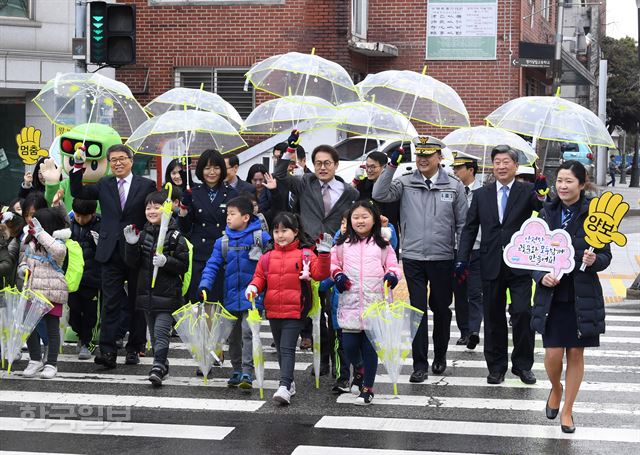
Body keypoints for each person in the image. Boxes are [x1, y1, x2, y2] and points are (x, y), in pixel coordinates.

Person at [372, 136, 468, 382]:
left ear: (439, 157)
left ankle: (440, 356)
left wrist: (461, 256)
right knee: (417, 310)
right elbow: (380, 193)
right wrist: (390, 166)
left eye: (428, 155)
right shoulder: (405, 182)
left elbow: (463, 224)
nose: (423, 159)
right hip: (413, 256)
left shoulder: (454, 185)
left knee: (441, 308)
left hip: (443, 256)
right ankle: (419, 364)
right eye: (419, 155)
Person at [457, 145, 548, 385]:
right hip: (490, 262)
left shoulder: (527, 190)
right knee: (493, 317)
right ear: (492, 166)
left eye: (506, 162)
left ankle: (523, 365)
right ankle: (496, 368)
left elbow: (545, 209)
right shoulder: (481, 195)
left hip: (519, 263)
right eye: (497, 162)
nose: (501, 166)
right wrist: (461, 259)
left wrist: (542, 194)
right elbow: (469, 229)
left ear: (516, 166)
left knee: (522, 313)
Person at [530, 160, 610, 433]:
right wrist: (541, 276)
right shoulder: (545, 213)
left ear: (582, 183)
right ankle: (556, 387)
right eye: (560, 181)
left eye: (569, 181)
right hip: (552, 294)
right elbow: (533, 256)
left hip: (581, 294)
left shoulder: (595, 215)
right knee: (552, 354)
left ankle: (568, 410)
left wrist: (594, 258)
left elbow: (606, 256)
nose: (563, 186)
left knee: (576, 352)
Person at [273, 131, 359, 379]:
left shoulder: (348, 191)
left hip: (335, 253)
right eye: (318, 163)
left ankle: (341, 364)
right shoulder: (305, 183)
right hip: (308, 252)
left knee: (334, 310)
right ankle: (320, 361)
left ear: (336, 165)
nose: (322, 167)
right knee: (312, 312)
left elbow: (353, 220)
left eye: (327, 163)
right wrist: (290, 148)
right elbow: (279, 175)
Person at [69, 143, 156, 369]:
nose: (117, 163)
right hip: (109, 251)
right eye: (113, 160)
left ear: (130, 160)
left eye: (121, 158)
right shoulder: (104, 184)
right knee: (110, 302)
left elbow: (155, 210)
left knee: (137, 302)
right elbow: (78, 193)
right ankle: (107, 351)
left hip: (136, 249)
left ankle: (135, 347)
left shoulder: (146, 185)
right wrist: (78, 166)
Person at [246, 212, 332, 405]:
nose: (280, 235)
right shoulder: (267, 257)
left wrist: (324, 254)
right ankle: (289, 382)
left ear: (295, 232)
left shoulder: (306, 254)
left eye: (284, 230)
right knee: (280, 348)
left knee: (286, 348)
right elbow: (260, 277)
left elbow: (319, 274)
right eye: (276, 231)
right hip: (273, 309)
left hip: (296, 309)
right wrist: (253, 286)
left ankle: (284, 386)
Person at [331, 201, 401, 405]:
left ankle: (368, 387)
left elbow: (393, 266)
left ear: (374, 219)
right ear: (349, 221)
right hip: (350, 302)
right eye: (356, 217)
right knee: (350, 345)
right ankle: (359, 368)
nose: (360, 220)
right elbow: (334, 265)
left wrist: (392, 276)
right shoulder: (342, 244)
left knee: (371, 347)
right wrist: (337, 275)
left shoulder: (383, 243)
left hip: (375, 303)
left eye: (365, 216)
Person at [198, 196, 271, 390]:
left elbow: (272, 260)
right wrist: (205, 284)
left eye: (232, 214)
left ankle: (247, 370)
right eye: (227, 214)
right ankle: (237, 368)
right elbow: (212, 264)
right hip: (230, 296)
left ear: (246, 217)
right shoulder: (223, 241)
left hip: (253, 297)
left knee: (249, 332)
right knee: (233, 336)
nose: (228, 218)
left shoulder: (261, 238)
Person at [123, 191, 190, 386]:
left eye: (156, 207)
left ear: (167, 209)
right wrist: (131, 245)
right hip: (146, 294)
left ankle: (158, 366)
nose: (151, 211)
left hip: (168, 295)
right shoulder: (143, 234)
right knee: (153, 334)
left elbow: (183, 265)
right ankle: (163, 363)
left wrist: (166, 261)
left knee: (161, 332)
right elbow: (132, 263)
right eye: (148, 207)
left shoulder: (176, 236)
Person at [178, 149, 238, 305]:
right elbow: (184, 229)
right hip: (200, 255)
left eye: (216, 167)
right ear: (200, 170)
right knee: (199, 304)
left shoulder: (232, 194)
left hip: (224, 254)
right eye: (207, 168)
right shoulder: (193, 193)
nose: (212, 172)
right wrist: (183, 209)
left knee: (221, 305)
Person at [18, 207, 69, 379]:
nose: (32, 226)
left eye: (37, 223)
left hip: (52, 292)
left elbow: (59, 252)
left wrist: (40, 233)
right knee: (29, 327)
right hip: (32, 291)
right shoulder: (31, 243)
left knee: (52, 329)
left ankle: (51, 364)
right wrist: (23, 268)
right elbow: (24, 261)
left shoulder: (58, 242)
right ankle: (34, 360)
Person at [451, 151, 483, 349]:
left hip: (477, 248)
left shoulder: (483, 192)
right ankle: (464, 330)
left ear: (470, 170)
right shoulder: (452, 191)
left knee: (475, 292)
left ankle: (473, 331)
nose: (454, 171)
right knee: (459, 292)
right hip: (455, 248)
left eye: (458, 168)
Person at [68, 198, 102, 360]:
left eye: (84, 216)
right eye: (77, 215)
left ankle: (87, 342)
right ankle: (80, 335)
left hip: (92, 277)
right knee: (73, 310)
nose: (80, 219)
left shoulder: (100, 224)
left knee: (90, 313)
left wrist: (99, 243)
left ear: (93, 213)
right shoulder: (68, 223)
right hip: (72, 278)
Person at [352, 151, 400, 231]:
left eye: (373, 167)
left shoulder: (393, 187)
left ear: (384, 167)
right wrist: (355, 180)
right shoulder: (362, 184)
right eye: (367, 166)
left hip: (387, 232)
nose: (369, 170)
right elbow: (346, 198)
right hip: (364, 233)